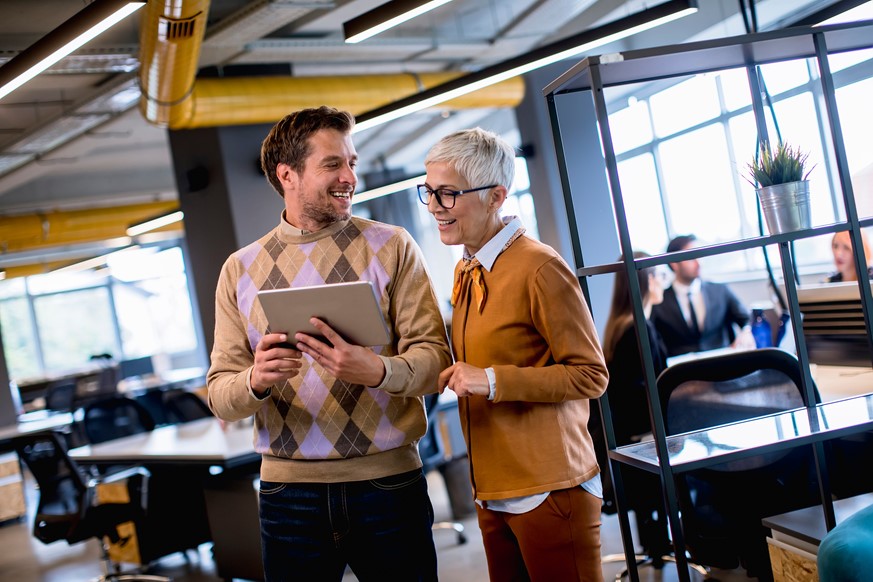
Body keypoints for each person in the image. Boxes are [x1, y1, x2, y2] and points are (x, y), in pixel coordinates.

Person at [206, 106, 452, 582]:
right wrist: (255, 380)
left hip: (387, 485)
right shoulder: (240, 269)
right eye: (332, 164)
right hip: (288, 497)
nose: (349, 178)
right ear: (287, 174)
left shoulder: (392, 245)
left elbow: (434, 359)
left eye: (352, 163)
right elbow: (221, 393)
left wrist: (378, 371)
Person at [423, 127, 609, 581]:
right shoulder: (469, 268)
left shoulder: (539, 266)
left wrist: (490, 380)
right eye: (429, 193)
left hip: (548, 487)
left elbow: (590, 375)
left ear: (495, 196)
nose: (433, 208)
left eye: (447, 194)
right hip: (492, 488)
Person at [590, 252, 671, 563]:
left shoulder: (623, 324)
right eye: (661, 275)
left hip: (630, 439)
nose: (664, 282)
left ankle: (658, 543)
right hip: (642, 441)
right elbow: (643, 395)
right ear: (647, 280)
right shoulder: (638, 329)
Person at [651, 234, 751, 358]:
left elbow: (745, 318)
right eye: (691, 258)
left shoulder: (720, 290)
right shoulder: (659, 301)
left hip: (722, 363)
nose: (699, 263)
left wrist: (746, 332)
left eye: (699, 256)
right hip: (681, 372)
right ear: (674, 264)